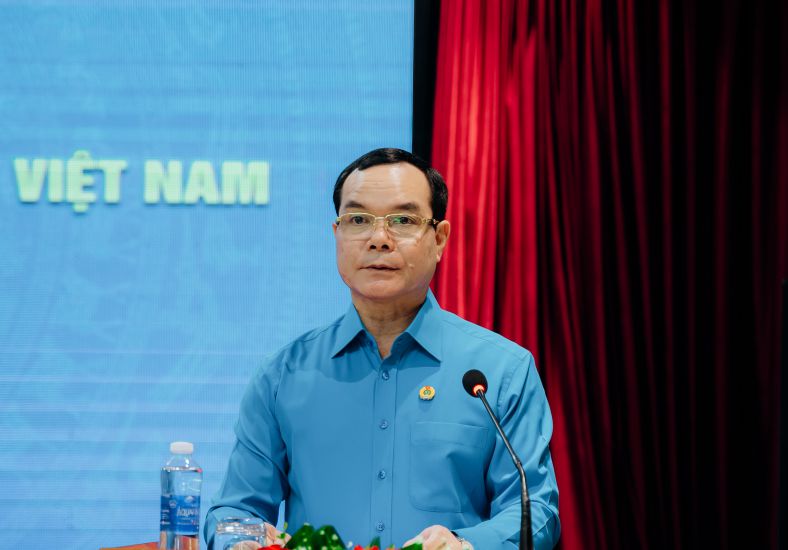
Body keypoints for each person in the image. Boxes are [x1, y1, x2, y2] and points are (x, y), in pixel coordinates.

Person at [205, 148, 560, 550]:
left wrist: (465, 545)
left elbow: (535, 513)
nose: (378, 239)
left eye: (403, 220)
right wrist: (240, 540)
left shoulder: (500, 371)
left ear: (439, 238)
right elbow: (234, 510)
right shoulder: (282, 376)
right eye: (358, 220)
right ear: (337, 234)